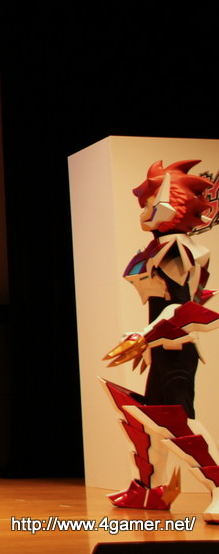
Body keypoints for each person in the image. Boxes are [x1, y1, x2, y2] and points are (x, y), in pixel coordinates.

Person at [103, 159, 219, 522]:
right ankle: (148, 490)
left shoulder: (175, 247)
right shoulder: (170, 245)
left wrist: (145, 336)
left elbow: (184, 308)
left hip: (175, 347)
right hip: (162, 346)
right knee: (147, 418)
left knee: (177, 419)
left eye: (152, 202)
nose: (145, 211)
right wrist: (148, 339)